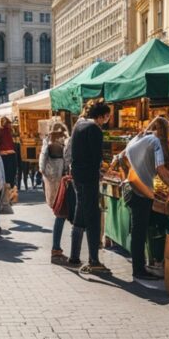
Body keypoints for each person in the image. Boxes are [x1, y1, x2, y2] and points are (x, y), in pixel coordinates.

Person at [116, 115, 169, 280]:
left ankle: (144, 264)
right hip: (141, 191)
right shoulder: (155, 142)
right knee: (139, 232)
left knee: (138, 230)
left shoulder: (138, 138)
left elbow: (122, 157)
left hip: (130, 187)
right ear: (163, 131)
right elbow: (160, 168)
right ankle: (139, 270)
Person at [68, 100, 113, 274]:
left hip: (77, 175)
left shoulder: (78, 126)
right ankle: (94, 260)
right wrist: (102, 171)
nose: (107, 119)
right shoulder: (94, 129)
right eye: (107, 116)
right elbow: (96, 157)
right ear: (102, 116)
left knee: (80, 212)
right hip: (89, 177)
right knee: (93, 216)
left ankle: (74, 255)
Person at [39, 122, 69, 263]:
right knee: (60, 214)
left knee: (61, 215)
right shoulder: (52, 145)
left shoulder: (51, 145)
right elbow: (44, 162)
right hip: (58, 181)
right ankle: (56, 249)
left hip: (58, 179)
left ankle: (57, 249)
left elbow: (43, 165)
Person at [0, 118, 17, 197]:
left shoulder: (6, 131)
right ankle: (8, 193)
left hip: (7, 155)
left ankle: (8, 193)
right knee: (9, 175)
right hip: (6, 155)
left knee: (7, 175)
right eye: (9, 123)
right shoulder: (3, 131)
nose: (10, 125)